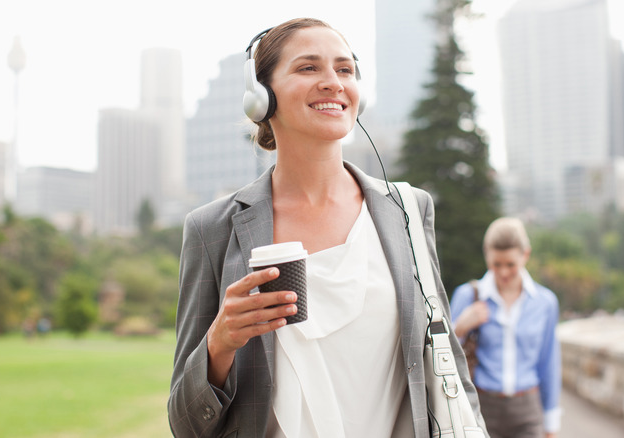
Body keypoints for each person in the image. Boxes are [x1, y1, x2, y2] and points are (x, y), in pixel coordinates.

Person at [168, 17, 483, 437]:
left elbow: (451, 370)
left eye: (345, 69)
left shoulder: (406, 210)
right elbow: (185, 423)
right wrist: (219, 343)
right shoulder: (212, 229)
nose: (333, 82)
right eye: (308, 67)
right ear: (261, 97)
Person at [450, 217, 561, 438]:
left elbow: (549, 363)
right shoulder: (467, 296)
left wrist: (551, 424)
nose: (502, 273)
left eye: (510, 264)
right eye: (495, 264)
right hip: (480, 407)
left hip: (528, 410)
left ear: (525, 255)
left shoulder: (545, 302)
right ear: (486, 254)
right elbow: (442, 356)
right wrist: (459, 327)